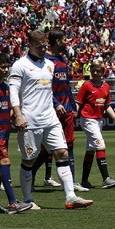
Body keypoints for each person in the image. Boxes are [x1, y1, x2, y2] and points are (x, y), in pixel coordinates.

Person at [9, 30, 93, 210]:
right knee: (29, 159)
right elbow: (13, 92)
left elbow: (50, 91)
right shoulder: (20, 65)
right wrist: (18, 114)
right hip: (29, 120)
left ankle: (70, 196)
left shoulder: (49, 65)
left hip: (50, 118)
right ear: (29, 45)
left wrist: (58, 105)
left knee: (62, 153)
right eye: (39, 46)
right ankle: (28, 199)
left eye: (45, 45)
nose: (43, 49)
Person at [0, 53, 33, 214]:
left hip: (5, 131)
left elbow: (4, 110)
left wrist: (15, 119)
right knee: (4, 162)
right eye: (3, 67)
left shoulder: (6, 86)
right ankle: (13, 202)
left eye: (7, 66)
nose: (6, 69)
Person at [32, 29, 83, 191]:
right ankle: (30, 172)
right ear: (57, 41)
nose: (66, 43)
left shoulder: (62, 59)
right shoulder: (45, 60)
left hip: (66, 109)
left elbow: (66, 85)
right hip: (51, 110)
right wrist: (56, 104)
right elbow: (43, 86)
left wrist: (73, 106)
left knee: (69, 145)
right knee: (47, 149)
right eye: (64, 40)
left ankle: (73, 182)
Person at [76, 60, 115, 189]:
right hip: (87, 119)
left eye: (98, 71)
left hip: (98, 120)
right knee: (100, 145)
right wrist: (75, 111)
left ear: (103, 72)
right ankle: (106, 179)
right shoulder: (86, 85)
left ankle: (84, 181)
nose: (95, 73)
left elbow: (107, 106)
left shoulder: (106, 87)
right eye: (93, 71)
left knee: (91, 149)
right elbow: (79, 102)